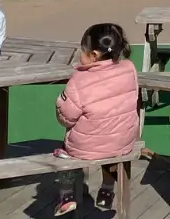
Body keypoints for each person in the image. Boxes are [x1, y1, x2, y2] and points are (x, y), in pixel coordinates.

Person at [53, 23, 139, 216]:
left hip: (86, 147)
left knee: (64, 153)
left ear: (93, 56)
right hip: (123, 142)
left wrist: (60, 103)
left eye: (81, 51)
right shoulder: (129, 69)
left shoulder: (78, 80)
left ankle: (66, 196)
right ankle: (107, 190)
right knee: (108, 143)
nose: (79, 55)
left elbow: (66, 118)